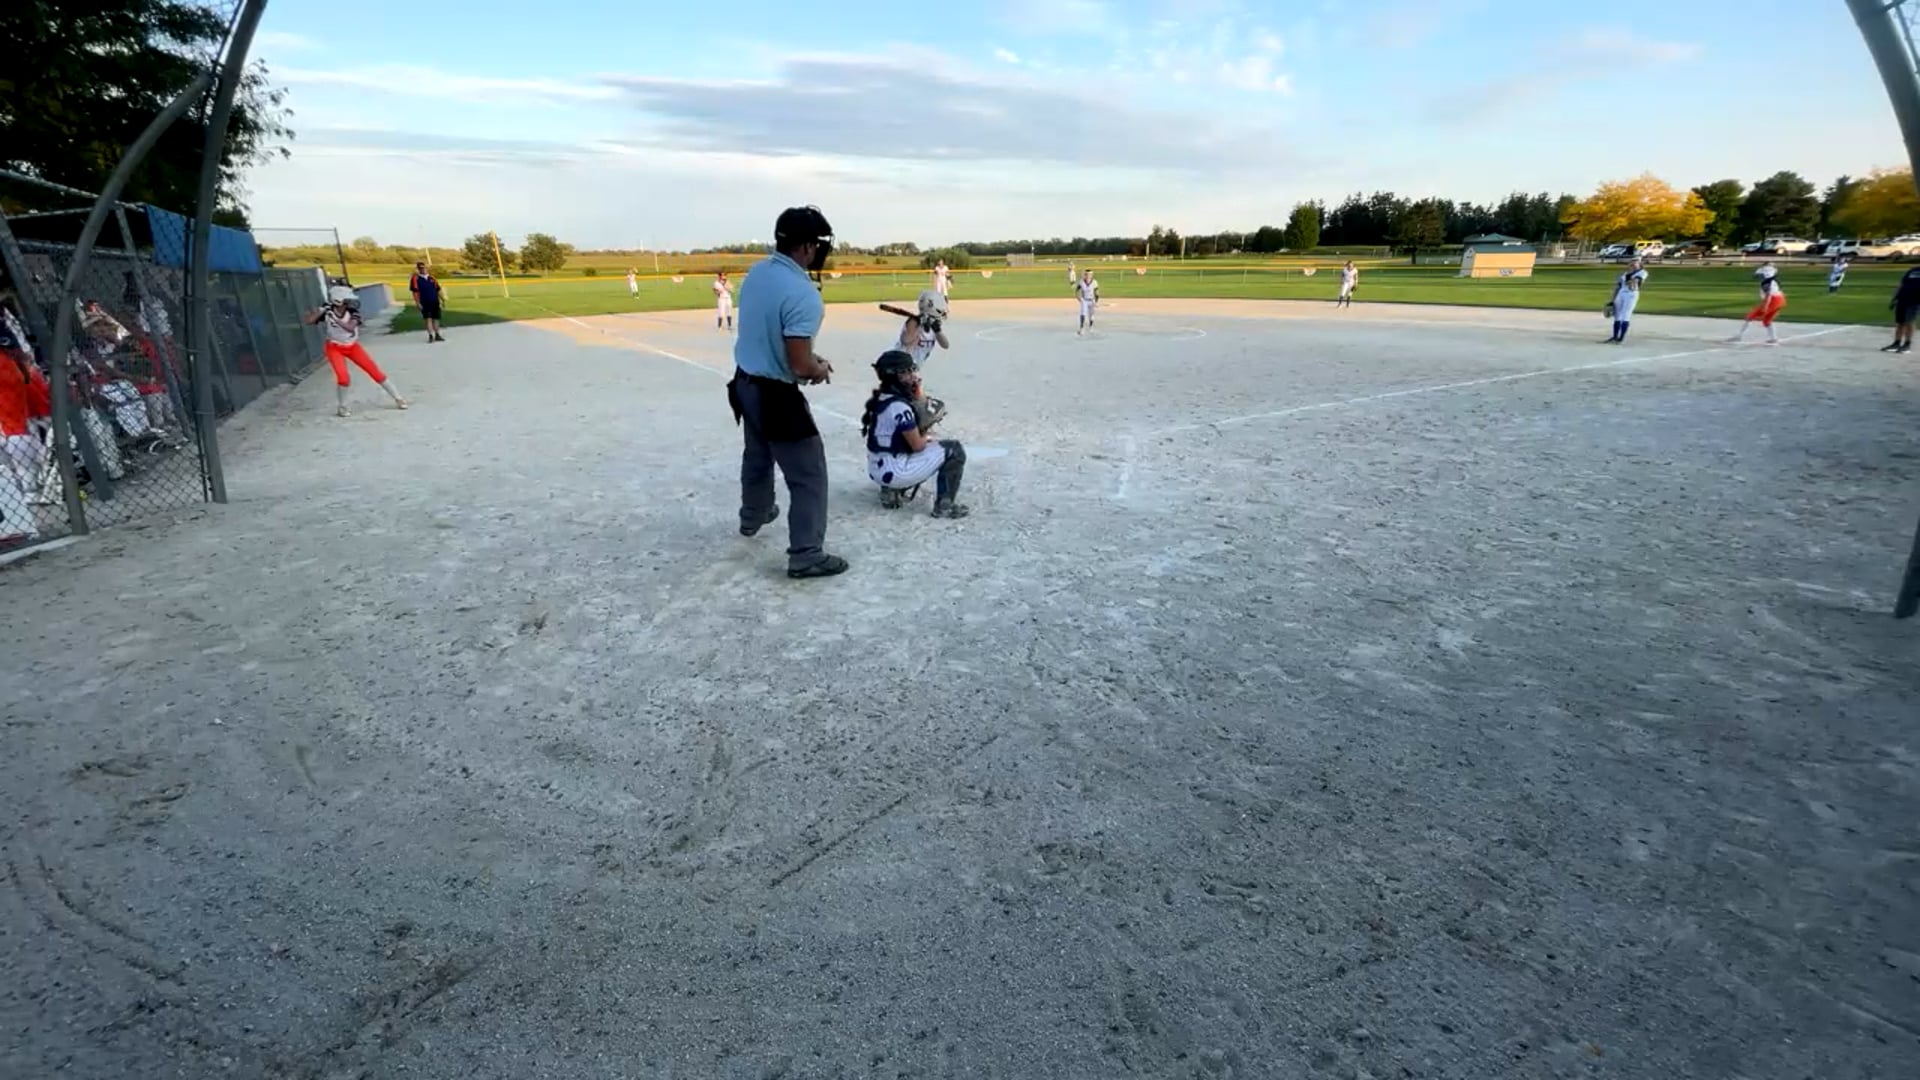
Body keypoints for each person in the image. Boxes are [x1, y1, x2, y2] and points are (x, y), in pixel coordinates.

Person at [727, 205, 847, 579]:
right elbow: (799, 366)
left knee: (758, 454)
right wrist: (818, 368)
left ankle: (754, 514)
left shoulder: (758, 272)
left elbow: (770, 336)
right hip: (775, 395)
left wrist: (807, 358)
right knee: (809, 474)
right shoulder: (803, 294)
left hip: (744, 382)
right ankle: (806, 554)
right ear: (808, 246)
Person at [861, 350, 969, 517]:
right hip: (896, 471)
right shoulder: (900, 407)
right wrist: (928, 437)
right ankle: (944, 507)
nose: (912, 375)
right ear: (895, 375)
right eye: (906, 371)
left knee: (907, 445)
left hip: (877, 468)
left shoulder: (881, 398)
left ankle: (890, 491)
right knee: (954, 449)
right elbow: (917, 445)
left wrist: (917, 393)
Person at [305, 285, 409, 417]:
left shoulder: (353, 312)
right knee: (343, 378)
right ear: (338, 300)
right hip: (334, 347)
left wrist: (335, 318)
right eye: (347, 300)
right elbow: (309, 321)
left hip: (352, 346)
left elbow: (349, 327)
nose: (350, 303)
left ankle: (398, 398)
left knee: (374, 372)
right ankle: (342, 407)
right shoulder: (327, 311)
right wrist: (321, 311)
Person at [894, 289, 951, 430]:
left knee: (917, 402)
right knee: (919, 402)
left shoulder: (933, 326)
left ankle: (915, 428)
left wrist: (937, 330)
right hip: (900, 368)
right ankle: (913, 430)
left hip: (912, 370)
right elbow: (906, 341)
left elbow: (945, 345)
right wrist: (919, 325)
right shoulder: (913, 322)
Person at [1731, 261, 1786, 345]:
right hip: (1780, 300)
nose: (1759, 277)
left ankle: (1738, 336)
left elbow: (1768, 295)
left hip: (1773, 300)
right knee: (1767, 320)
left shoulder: (1767, 282)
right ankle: (1773, 339)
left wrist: (1765, 306)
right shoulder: (1773, 279)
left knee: (1750, 316)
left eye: (1761, 275)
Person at [1605, 258, 1648, 343]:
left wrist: (1629, 276)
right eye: (1631, 263)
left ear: (1639, 264)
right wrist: (1612, 300)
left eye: (1635, 263)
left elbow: (1632, 283)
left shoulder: (1642, 272)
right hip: (1620, 294)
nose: (1633, 265)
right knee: (1617, 316)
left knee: (1626, 315)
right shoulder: (1625, 274)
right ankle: (1615, 337)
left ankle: (1620, 338)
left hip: (1631, 294)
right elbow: (1618, 287)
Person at [1883, 263, 1920, 353]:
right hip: (1902, 299)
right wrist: (1894, 298)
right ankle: (1896, 343)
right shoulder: (1912, 270)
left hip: (1915, 301)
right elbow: (1901, 284)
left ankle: (1907, 344)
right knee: (1900, 322)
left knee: (1909, 322)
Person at [408, 262, 445, 342]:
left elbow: (438, 290)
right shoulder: (416, 279)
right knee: (428, 319)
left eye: (424, 267)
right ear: (418, 269)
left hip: (434, 302)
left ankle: (437, 334)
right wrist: (417, 303)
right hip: (424, 302)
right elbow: (415, 292)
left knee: (436, 319)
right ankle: (430, 335)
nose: (423, 269)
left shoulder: (432, 278)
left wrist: (442, 299)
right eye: (420, 268)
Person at [1075, 268, 1100, 335]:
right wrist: (1078, 298)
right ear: (1085, 275)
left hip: (1091, 300)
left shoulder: (1094, 282)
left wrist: (1096, 302)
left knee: (1091, 315)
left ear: (1091, 275)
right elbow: (1077, 290)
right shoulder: (1081, 282)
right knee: (1083, 313)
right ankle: (1081, 328)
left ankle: (1091, 327)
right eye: (1086, 274)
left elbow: (1097, 292)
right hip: (1084, 300)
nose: (1088, 276)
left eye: (1089, 274)